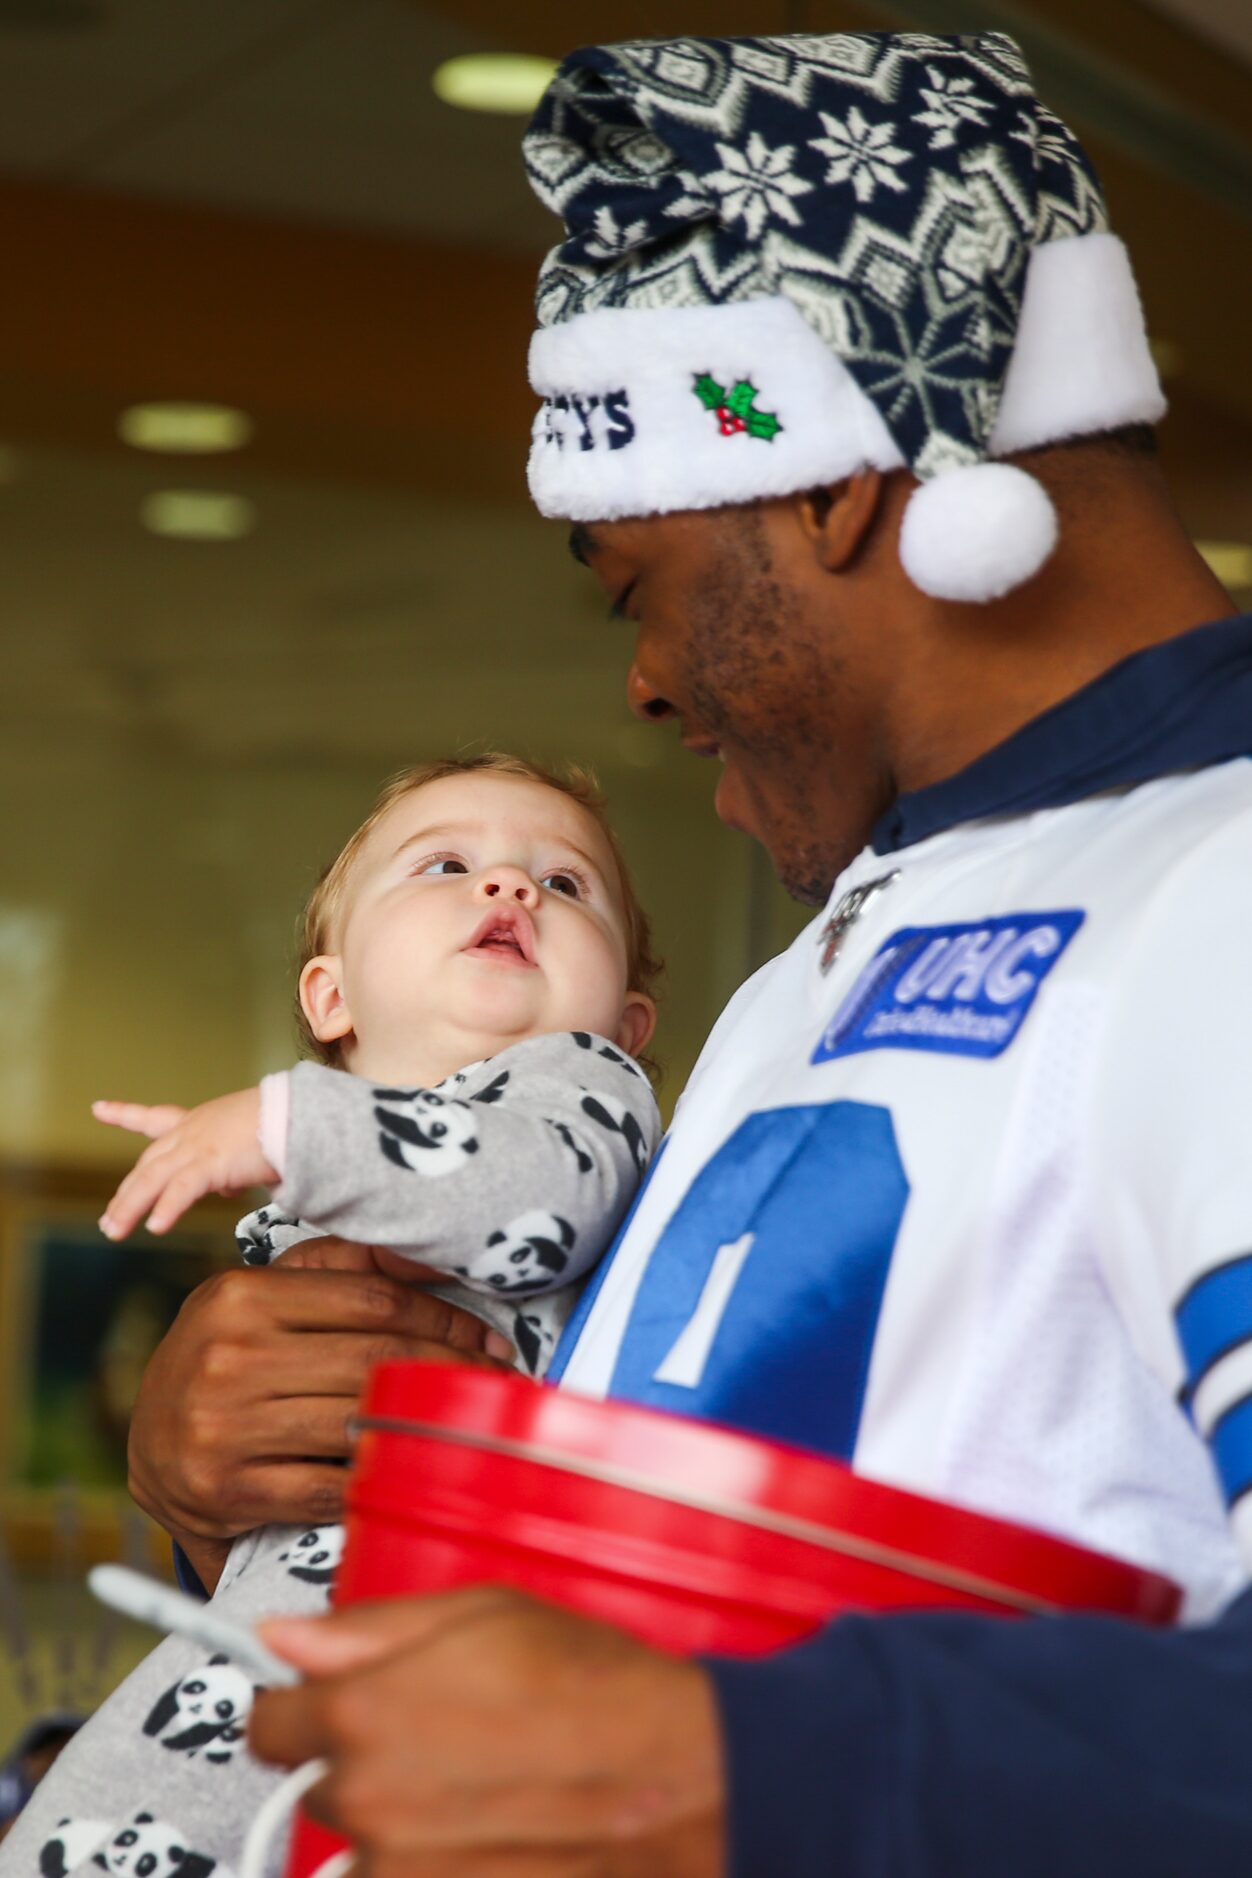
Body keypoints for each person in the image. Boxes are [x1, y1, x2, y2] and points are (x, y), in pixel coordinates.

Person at [123, 29, 1252, 1878]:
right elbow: (632, 1567)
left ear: (823, 488)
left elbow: (684, 1739)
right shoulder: (800, 980)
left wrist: (738, 1760)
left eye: (636, 585)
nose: (642, 682)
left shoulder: (1215, 877)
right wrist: (241, 1482)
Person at [0, 754, 660, 1878]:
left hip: (428, 1615)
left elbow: (532, 1198)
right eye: (446, 865)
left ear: (630, 1023)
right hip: (297, 1600)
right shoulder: (325, 1172)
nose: (508, 888)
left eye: (565, 885)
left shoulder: (582, 1093)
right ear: (330, 996)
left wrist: (282, 1125)